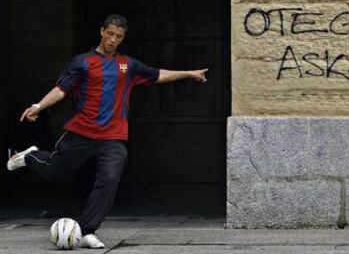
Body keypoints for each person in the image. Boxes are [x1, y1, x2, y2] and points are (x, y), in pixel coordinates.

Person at [7, 14, 208, 249]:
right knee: (53, 170)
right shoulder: (82, 62)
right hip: (82, 131)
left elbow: (157, 74)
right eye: (110, 34)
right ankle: (29, 155)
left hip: (113, 137)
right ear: (102, 31)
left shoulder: (128, 66)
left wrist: (189, 73)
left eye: (119, 36)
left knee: (110, 177)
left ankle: (88, 229)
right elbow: (61, 89)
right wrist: (38, 106)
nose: (113, 40)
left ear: (123, 38)